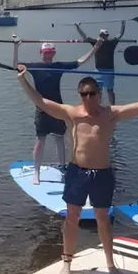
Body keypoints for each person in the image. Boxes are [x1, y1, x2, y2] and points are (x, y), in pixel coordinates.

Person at [17, 67, 138, 274]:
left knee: (103, 218)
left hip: (102, 173)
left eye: (92, 93)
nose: (88, 98)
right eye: (84, 94)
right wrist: (23, 80)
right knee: (71, 217)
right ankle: (67, 262)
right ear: (80, 95)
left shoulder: (110, 114)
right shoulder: (72, 114)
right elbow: (41, 102)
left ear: (99, 94)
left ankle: (110, 263)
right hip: (77, 172)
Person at [12, 37, 103, 184]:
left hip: (58, 109)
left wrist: (97, 46)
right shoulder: (35, 67)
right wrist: (16, 47)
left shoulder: (58, 66)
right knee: (40, 140)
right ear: (41, 53)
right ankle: (36, 172)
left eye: (49, 53)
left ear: (53, 53)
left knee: (60, 139)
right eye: (44, 52)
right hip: (42, 109)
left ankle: (63, 168)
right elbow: (15, 65)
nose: (46, 55)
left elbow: (80, 61)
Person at [74, 21, 126, 105]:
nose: (103, 37)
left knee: (109, 90)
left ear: (107, 36)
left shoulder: (110, 43)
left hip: (108, 70)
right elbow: (85, 37)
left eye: (104, 35)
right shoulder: (97, 43)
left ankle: (112, 107)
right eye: (102, 35)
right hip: (99, 71)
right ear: (99, 35)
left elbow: (120, 34)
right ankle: (98, 106)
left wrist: (123, 25)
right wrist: (77, 28)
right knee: (98, 90)